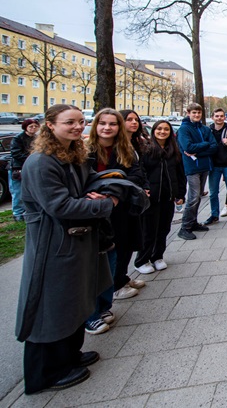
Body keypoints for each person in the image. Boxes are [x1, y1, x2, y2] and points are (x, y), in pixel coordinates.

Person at [15, 104, 118, 394]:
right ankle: (45, 375)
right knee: (51, 308)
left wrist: (98, 193)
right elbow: (59, 205)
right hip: (53, 246)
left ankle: (69, 357)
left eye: (80, 121)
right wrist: (104, 204)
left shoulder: (73, 154)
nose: (77, 127)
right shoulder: (40, 162)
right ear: (50, 125)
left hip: (75, 243)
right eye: (69, 122)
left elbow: (83, 189)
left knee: (74, 302)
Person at [87, 108, 148, 304]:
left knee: (126, 245)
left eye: (112, 124)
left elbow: (136, 175)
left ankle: (121, 279)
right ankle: (112, 288)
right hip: (96, 210)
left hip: (123, 207)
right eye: (103, 123)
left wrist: (114, 193)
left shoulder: (125, 149)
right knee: (107, 252)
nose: (107, 128)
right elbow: (84, 180)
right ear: (95, 125)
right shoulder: (86, 150)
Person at [135, 120, 186, 273]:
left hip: (168, 197)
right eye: (159, 129)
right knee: (149, 230)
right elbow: (141, 172)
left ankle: (157, 256)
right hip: (151, 198)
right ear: (154, 130)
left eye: (166, 129)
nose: (162, 132)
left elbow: (180, 174)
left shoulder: (173, 150)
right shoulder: (146, 150)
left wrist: (180, 194)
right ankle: (142, 260)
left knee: (164, 228)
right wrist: (144, 189)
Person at [176, 103, 218, 240]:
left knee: (198, 196)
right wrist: (205, 145)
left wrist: (198, 151)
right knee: (193, 197)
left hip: (204, 165)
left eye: (199, 113)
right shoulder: (184, 129)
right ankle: (185, 227)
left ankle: (193, 222)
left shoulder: (205, 129)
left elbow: (214, 146)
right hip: (192, 167)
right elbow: (187, 147)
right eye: (194, 113)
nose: (196, 115)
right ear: (188, 113)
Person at [205, 108, 227, 228]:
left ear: (225, 117)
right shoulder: (208, 130)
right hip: (214, 166)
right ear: (212, 117)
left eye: (221, 116)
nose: (219, 118)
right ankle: (214, 215)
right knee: (213, 193)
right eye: (217, 116)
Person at [9, 118, 40, 221]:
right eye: (31, 126)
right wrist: (31, 158)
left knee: (30, 191)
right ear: (25, 127)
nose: (33, 128)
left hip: (31, 168)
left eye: (35, 126)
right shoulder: (18, 138)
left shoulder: (37, 138)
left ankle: (27, 212)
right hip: (18, 168)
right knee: (18, 192)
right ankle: (17, 214)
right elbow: (15, 153)